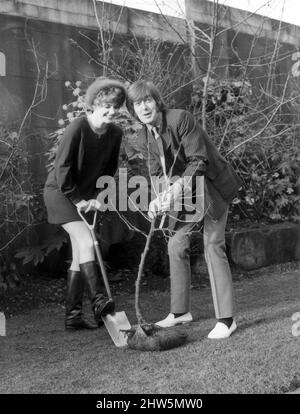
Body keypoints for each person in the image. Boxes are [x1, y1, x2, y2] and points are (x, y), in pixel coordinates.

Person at [127, 80, 242, 339]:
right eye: (137, 103)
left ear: (157, 101)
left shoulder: (181, 119)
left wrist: (175, 191)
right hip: (186, 193)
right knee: (175, 244)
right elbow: (157, 173)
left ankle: (227, 319)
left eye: (147, 100)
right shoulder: (142, 137)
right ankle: (180, 313)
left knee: (213, 244)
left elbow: (198, 161)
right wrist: (158, 200)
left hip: (211, 186)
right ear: (133, 110)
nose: (143, 107)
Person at [43, 77, 127, 331]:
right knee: (88, 241)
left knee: (80, 254)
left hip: (86, 196)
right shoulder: (78, 126)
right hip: (61, 192)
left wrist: (98, 198)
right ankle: (100, 300)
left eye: (116, 106)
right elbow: (62, 168)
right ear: (94, 104)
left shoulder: (115, 133)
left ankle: (73, 317)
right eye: (107, 106)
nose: (112, 111)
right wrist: (78, 199)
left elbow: (109, 168)